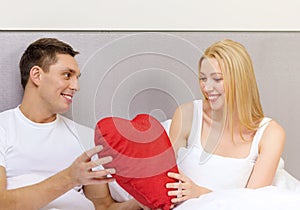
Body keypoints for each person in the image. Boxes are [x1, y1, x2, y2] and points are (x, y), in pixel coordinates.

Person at [0, 38, 141, 209]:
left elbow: (104, 206)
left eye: (77, 78)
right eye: (67, 75)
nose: (76, 86)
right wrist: (69, 178)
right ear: (37, 75)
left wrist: (143, 204)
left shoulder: (84, 137)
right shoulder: (4, 129)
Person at [165, 39, 286, 206]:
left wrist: (201, 193)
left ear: (240, 80)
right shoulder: (187, 115)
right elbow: (164, 181)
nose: (206, 87)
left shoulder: (270, 134)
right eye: (203, 78)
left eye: (217, 79)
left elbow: (254, 204)